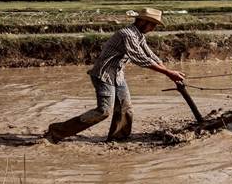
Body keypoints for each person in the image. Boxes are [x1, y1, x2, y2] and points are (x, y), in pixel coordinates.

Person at [44, 8, 185, 143]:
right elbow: (140, 59)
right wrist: (168, 73)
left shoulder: (138, 35)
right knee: (103, 111)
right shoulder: (127, 34)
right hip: (104, 75)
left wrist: (169, 72)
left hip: (118, 75)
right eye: (152, 25)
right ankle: (56, 132)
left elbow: (150, 55)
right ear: (142, 22)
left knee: (125, 107)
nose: (153, 28)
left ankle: (119, 137)